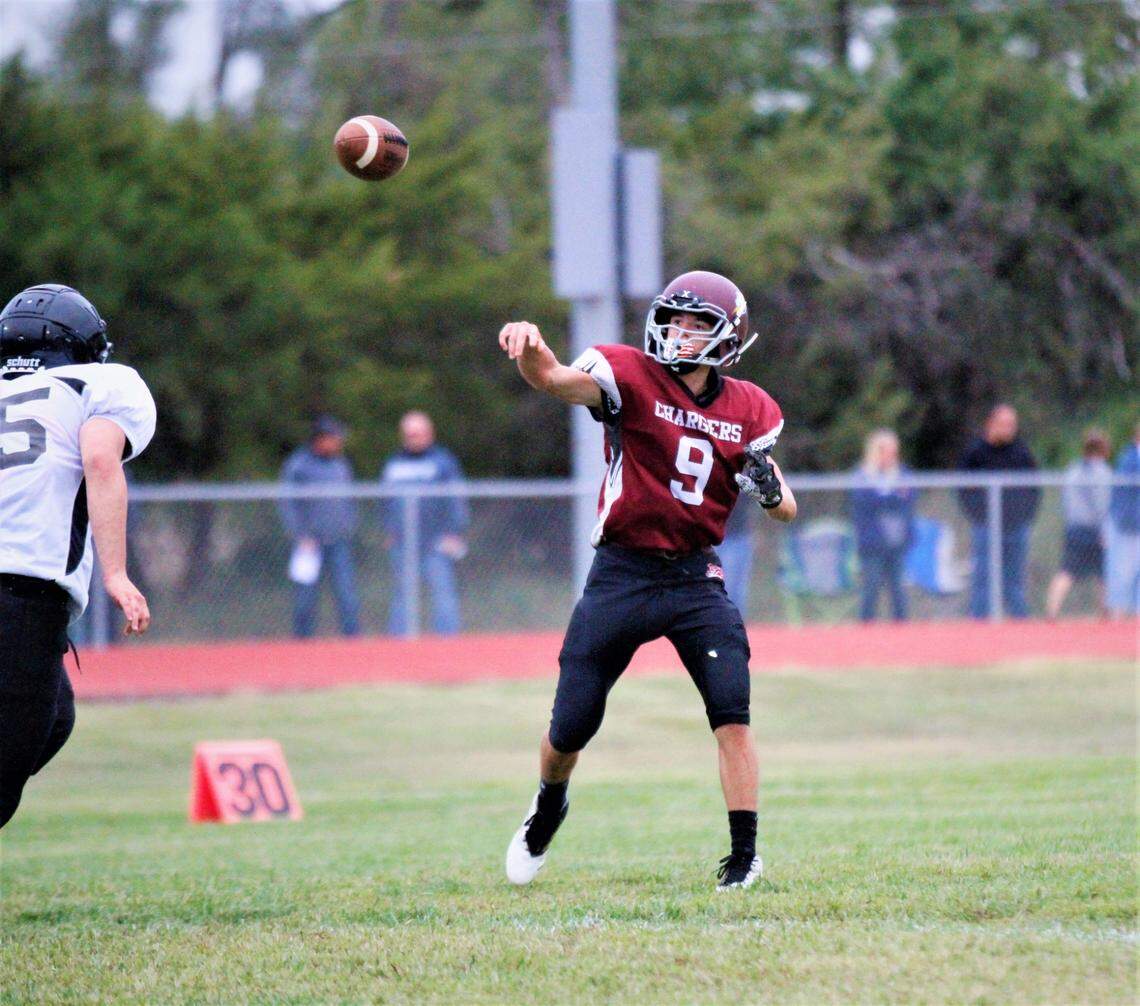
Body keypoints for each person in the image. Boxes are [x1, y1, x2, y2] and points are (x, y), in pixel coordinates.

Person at [499, 270, 797, 891]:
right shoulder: (627, 374)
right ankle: (550, 802)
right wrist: (534, 353)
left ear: (728, 337)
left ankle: (744, 856)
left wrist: (770, 491)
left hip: (694, 575)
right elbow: (555, 380)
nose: (679, 333)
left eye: (696, 324)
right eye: (675, 319)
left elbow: (784, 506)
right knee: (569, 727)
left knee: (732, 713)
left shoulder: (750, 408)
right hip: (623, 572)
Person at [0, 284, 155, 829]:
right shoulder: (105, 382)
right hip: (19, 588)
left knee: (55, 717)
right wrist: (114, 571)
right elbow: (99, 458)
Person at [380, 411, 469, 636]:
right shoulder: (394, 463)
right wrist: (388, 530)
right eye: (409, 434)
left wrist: (454, 532)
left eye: (418, 434)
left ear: (429, 434)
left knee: (442, 592)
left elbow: (456, 498)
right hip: (403, 541)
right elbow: (384, 501)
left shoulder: (443, 462)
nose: (413, 439)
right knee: (402, 594)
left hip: (436, 541)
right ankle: (399, 645)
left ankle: (447, 644)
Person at [279, 415, 360, 638]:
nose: (338, 443)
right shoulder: (298, 465)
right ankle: (303, 645)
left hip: (338, 541)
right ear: (320, 439)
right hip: (309, 544)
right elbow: (288, 503)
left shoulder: (340, 465)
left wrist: (348, 525)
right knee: (305, 598)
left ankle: (354, 646)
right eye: (333, 438)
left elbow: (349, 499)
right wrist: (301, 535)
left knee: (347, 595)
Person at [957, 404, 1041, 619]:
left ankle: (1020, 628)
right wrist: (979, 517)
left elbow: (1034, 489)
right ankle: (978, 626)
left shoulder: (1022, 453)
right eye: (1003, 424)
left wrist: (1025, 517)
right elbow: (963, 490)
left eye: (1012, 425)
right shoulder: (975, 453)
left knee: (1014, 580)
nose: (1008, 429)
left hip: (1016, 528)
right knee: (983, 579)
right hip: (985, 528)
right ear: (991, 424)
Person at [848, 429, 916, 622]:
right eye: (886, 451)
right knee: (871, 587)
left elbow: (908, 499)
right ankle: (866, 630)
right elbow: (865, 502)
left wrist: (887, 497)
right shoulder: (862, 475)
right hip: (872, 543)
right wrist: (892, 496)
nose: (891, 456)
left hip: (897, 541)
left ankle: (902, 631)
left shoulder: (902, 473)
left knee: (898, 589)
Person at [1045, 430, 1112, 619]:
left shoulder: (1072, 470)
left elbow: (1065, 500)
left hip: (1074, 527)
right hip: (1094, 529)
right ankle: (1104, 614)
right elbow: (1102, 504)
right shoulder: (1103, 472)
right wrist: (1105, 531)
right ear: (1104, 449)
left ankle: (1052, 611)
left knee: (1067, 571)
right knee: (1103, 574)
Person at [1105, 422, 1140, 619]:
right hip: (1129, 527)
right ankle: (1116, 621)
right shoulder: (1129, 460)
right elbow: (1122, 498)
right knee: (1123, 575)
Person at [718, 497, 756, 616]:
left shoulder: (742, 481)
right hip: (713, 537)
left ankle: (735, 622)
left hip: (738, 537)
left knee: (735, 587)